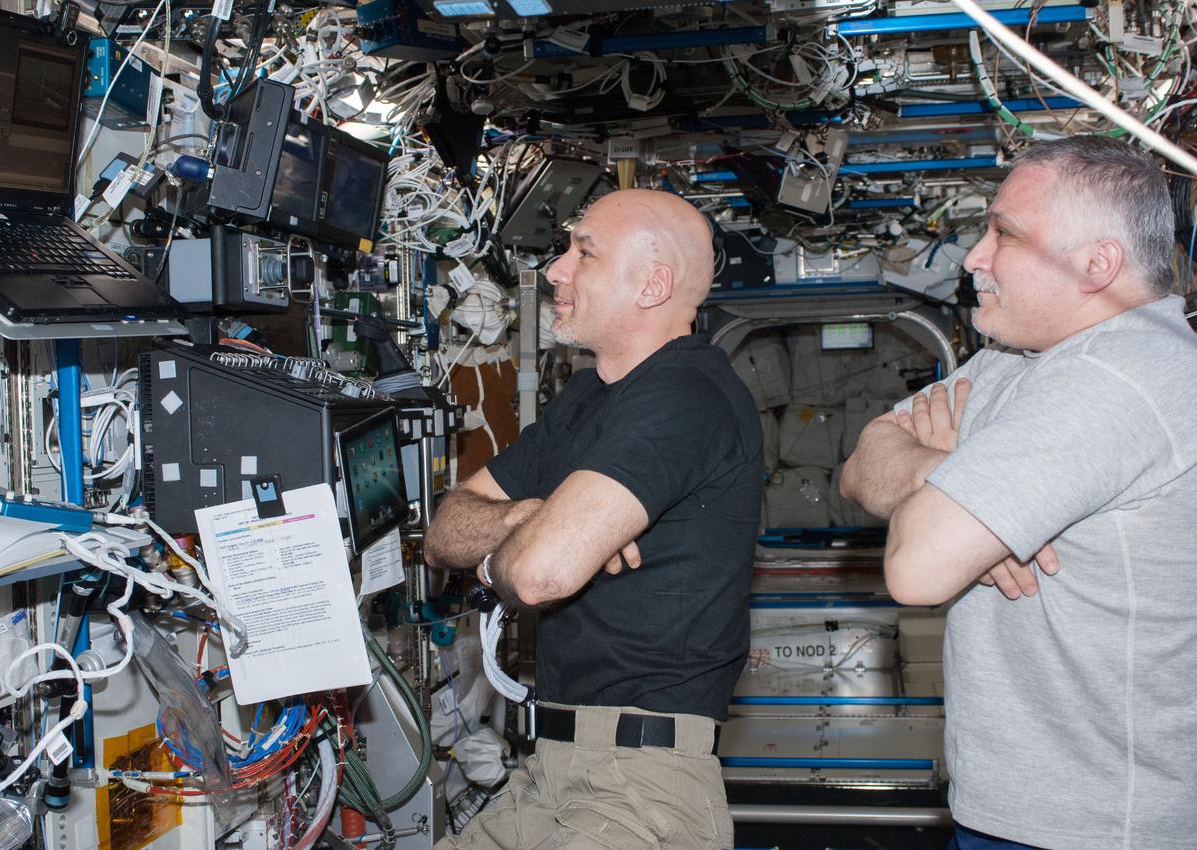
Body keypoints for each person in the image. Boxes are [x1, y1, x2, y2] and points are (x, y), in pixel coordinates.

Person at [841, 135, 1197, 849]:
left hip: (1093, 826)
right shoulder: (1014, 363)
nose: (975, 257)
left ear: (1098, 264)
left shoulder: (1118, 374)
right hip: (1012, 809)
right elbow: (860, 465)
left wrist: (951, 493)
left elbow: (918, 566)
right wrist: (956, 479)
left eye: (1004, 232)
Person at [423, 188, 762, 850]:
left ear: (652, 285)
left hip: (638, 786)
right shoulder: (587, 398)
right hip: (549, 770)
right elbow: (443, 531)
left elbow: (539, 574)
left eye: (585, 253)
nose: (556, 270)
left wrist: (517, 548)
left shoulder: (686, 396)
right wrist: (536, 512)